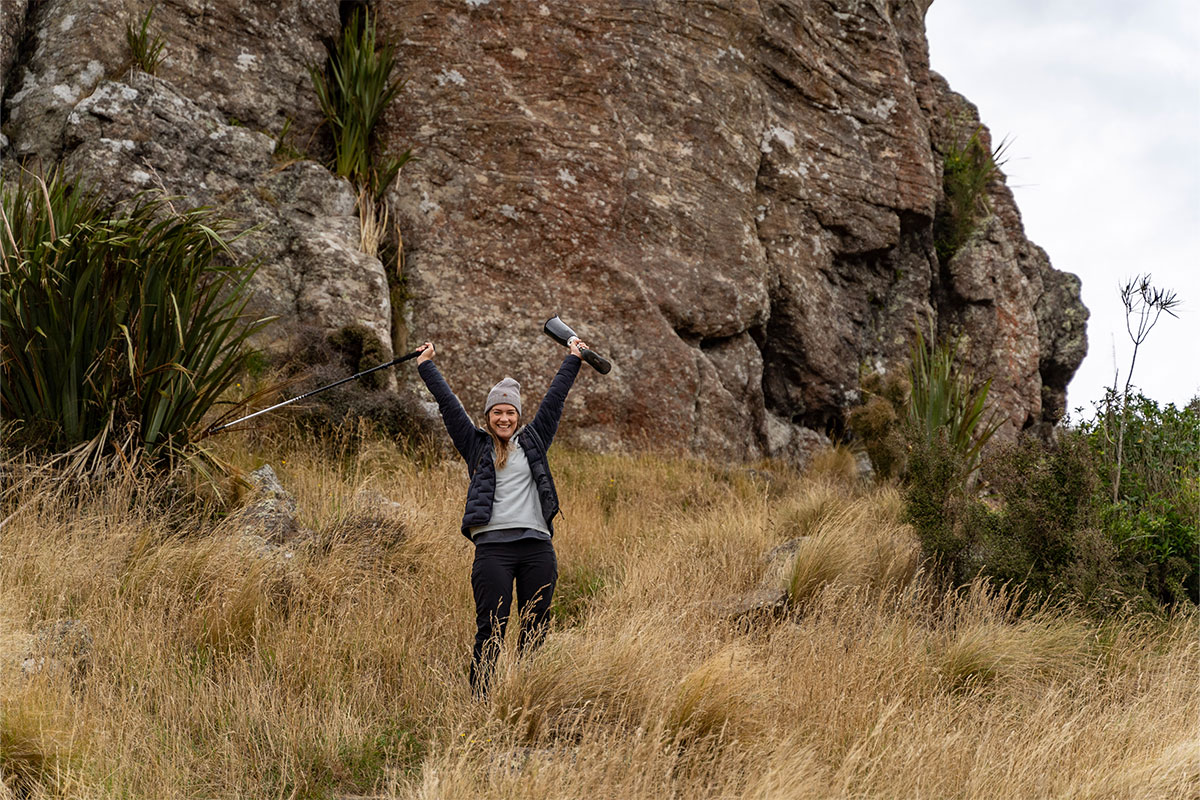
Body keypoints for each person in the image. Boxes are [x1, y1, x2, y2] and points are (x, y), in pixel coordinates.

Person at [415, 337, 588, 695]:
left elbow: (555, 401)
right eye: (497, 412)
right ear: (488, 417)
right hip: (492, 549)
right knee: (491, 627)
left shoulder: (535, 440)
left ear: (518, 417)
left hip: (536, 547)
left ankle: (526, 696)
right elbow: (449, 406)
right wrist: (427, 365)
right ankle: (481, 700)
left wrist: (574, 358)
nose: (504, 418)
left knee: (536, 626)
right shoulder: (475, 444)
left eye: (510, 413)